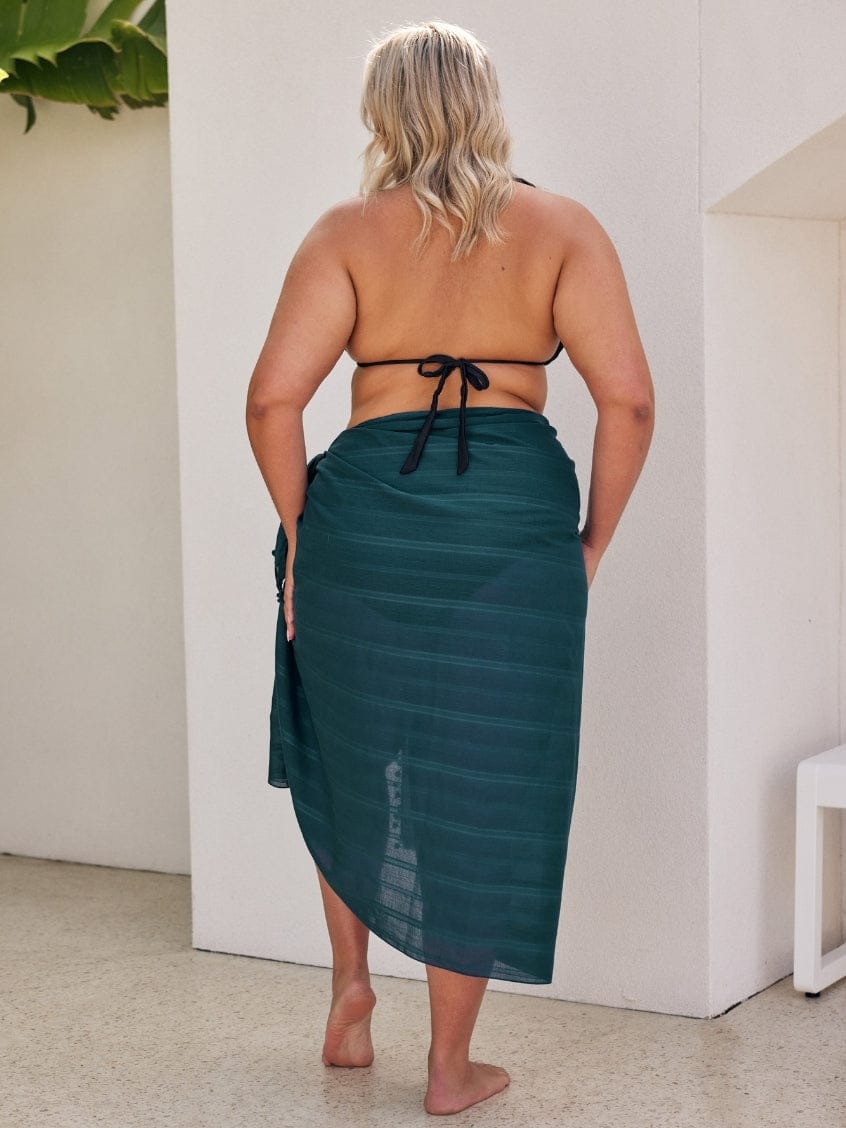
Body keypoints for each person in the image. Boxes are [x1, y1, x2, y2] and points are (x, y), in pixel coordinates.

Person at [245, 19, 654, 1117]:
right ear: (485, 104)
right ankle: (449, 1064)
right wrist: (590, 545)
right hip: (510, 529)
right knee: (481, 779)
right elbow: (630, 400)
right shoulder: (563, 227)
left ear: (383, 112)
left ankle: (347, 992)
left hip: (361, 522)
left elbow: (272, 399)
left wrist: (299, 540)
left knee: (350, 745)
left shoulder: (345, 233)